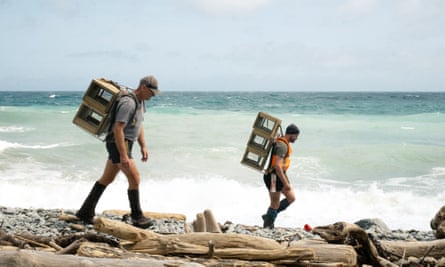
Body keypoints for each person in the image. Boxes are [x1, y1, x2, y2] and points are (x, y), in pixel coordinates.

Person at [76, 75, 160, 228]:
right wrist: (123, 155)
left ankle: (85, 211)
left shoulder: (139, 102)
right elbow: (118, 128)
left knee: (106, 179)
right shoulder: (128, 102)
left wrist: (143, 146)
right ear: (143, 87)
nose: (153, 96)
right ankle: (137, 217)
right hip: (118, 144)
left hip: (125, 144)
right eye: (152, 92)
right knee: (135, 179)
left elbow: (138, 125)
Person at [262, 123, 300, 229]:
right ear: (291, 134)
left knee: (291, 198)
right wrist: (286, 184)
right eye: (296, 136)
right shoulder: (282, 146)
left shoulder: (283, 143)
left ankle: (269, 216)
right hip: (274, 178)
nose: (297, 138)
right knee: (275, 203)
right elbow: (277, 167)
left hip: (277, 177)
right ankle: (268, 226)